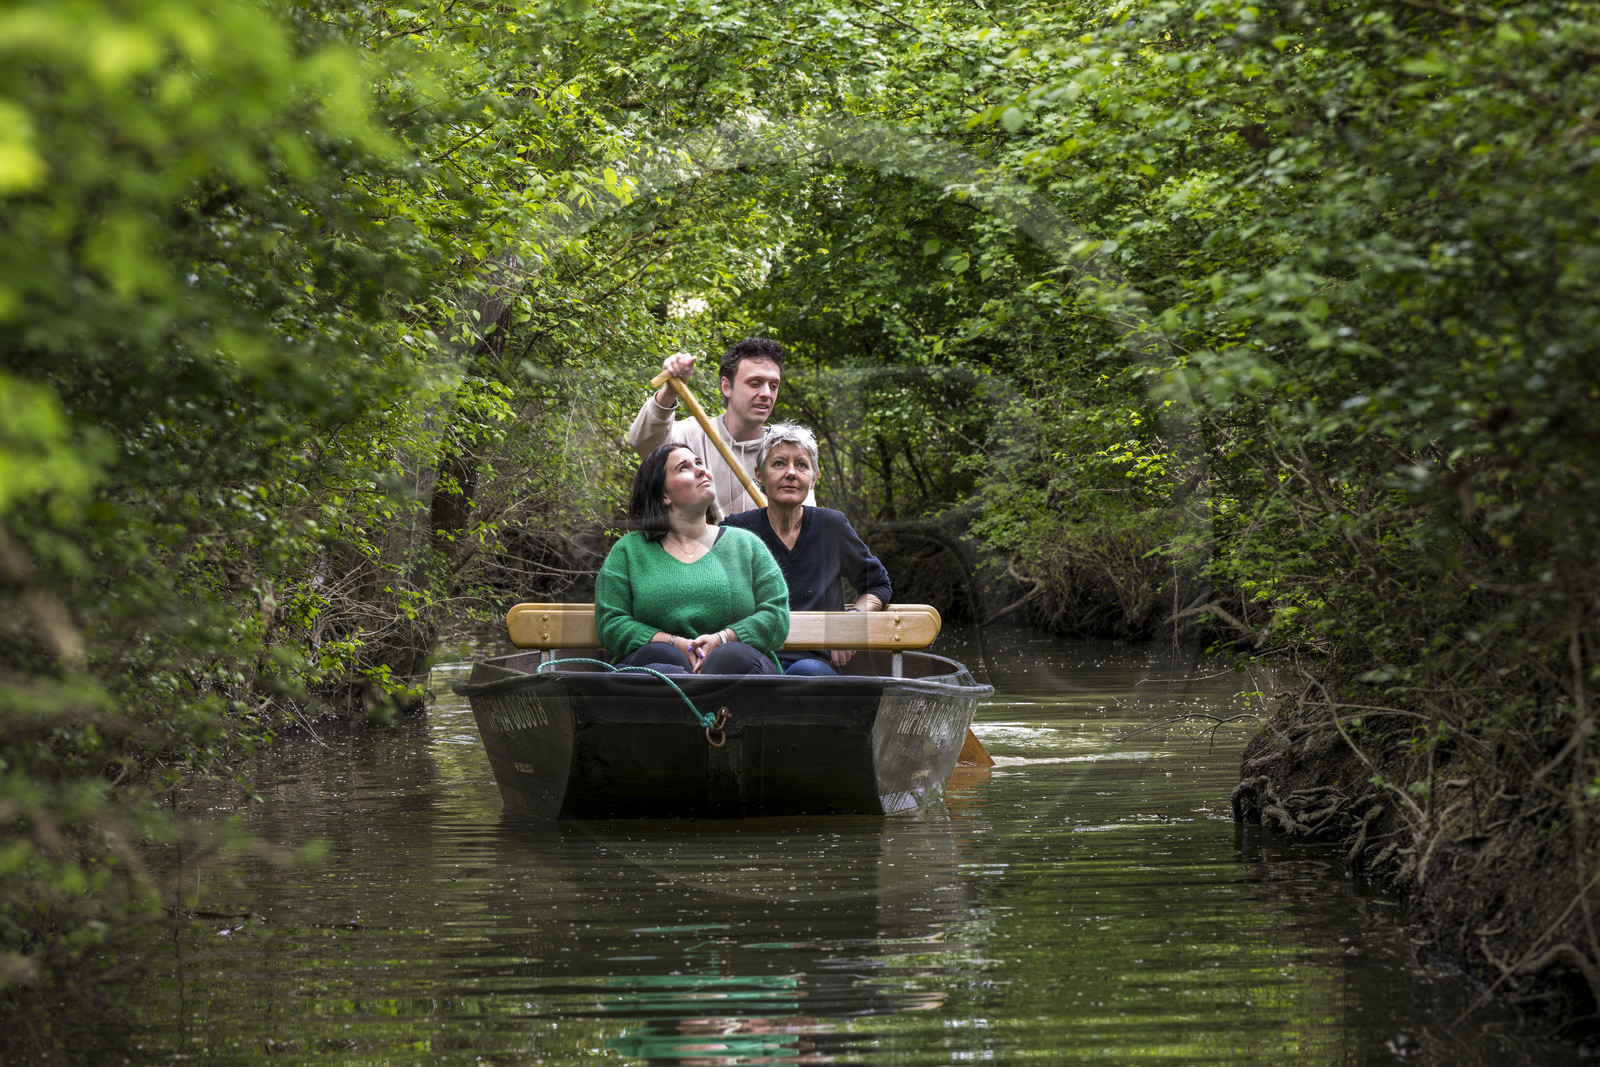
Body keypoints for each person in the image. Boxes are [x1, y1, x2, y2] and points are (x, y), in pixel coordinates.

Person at [595, 443, 789, 675]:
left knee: (731, 656)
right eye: (684, 467)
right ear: (663, 494)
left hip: (741, 672)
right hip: (657, 676)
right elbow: (610, 623)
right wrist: (672, 643)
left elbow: (776, 615)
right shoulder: (628, 551)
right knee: (663, 657)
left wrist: (723, 639)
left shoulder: (746, 545)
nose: (700, 470)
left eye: (699, 463)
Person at [722, 422, 891, 676]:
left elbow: (877, 584)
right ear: (759, 474)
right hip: (758, 659)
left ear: (813, 478)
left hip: (817, 664)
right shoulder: (737, 530)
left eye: (801, 465)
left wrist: (851, 621)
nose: (791, 473)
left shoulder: (832, 525)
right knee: (737, 662)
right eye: (779, 463)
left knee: (806, 671)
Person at [627, 337, 816, 516]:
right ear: (727, 387)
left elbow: (803, 520)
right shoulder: (693, 433)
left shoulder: (787, 450)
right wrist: (670, 389)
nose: (766, 393)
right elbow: (643, 442)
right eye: (755, 383)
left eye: (773, 386)